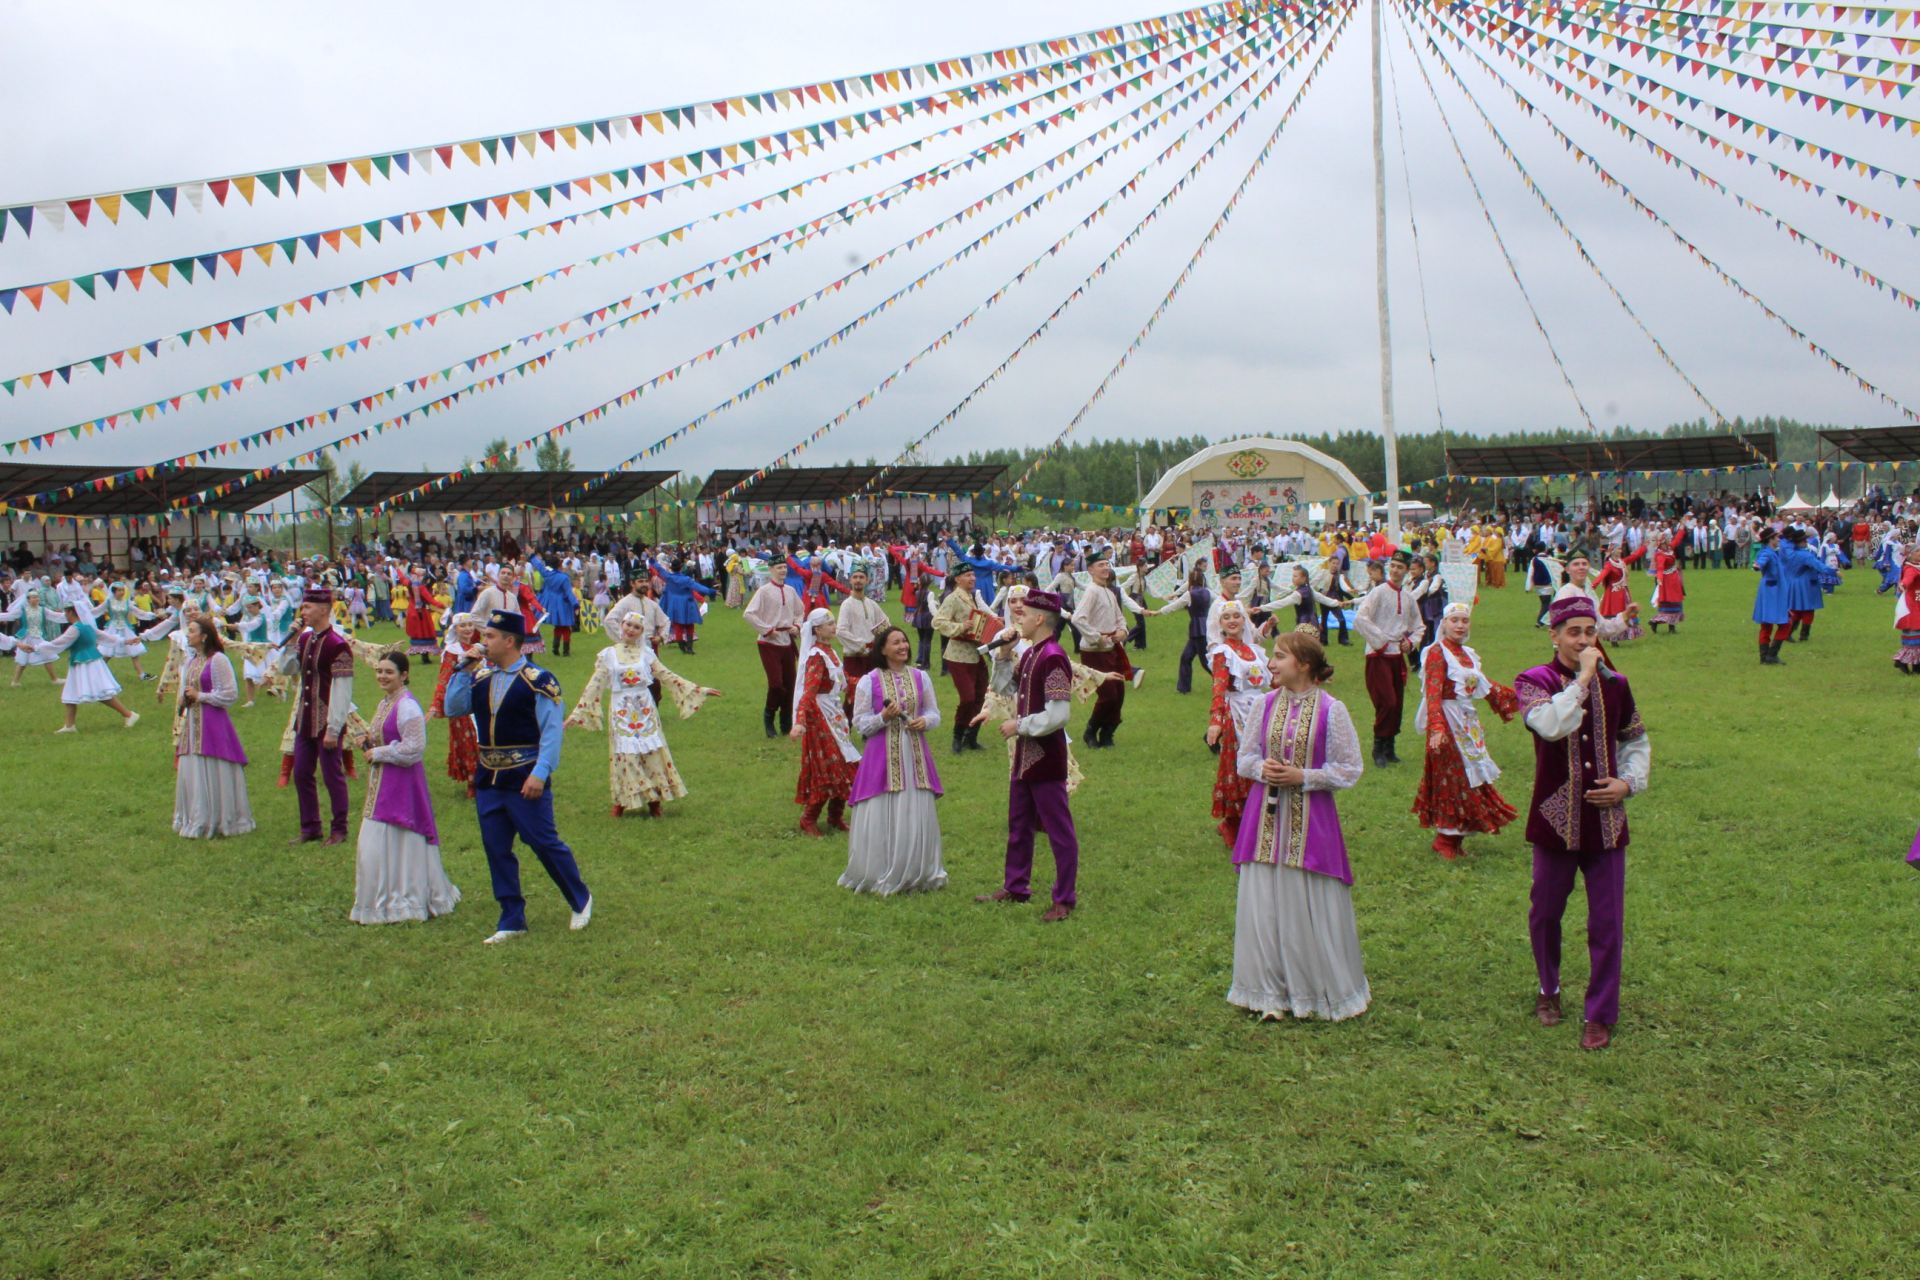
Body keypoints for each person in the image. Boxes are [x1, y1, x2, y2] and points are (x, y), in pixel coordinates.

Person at [1515, 596, 1652, 1052]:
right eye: (1572, 632)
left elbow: (1636, 742)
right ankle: (1548, 989)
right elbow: (1550, 725)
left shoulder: (1618, 684)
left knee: (1608, 921)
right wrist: (1585, 677)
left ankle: (1600, 1013)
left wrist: (1627, 785)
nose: (1582, 640)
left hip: (1605, 822)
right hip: (1554, 821)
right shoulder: (1532, 681)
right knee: (1546, 912)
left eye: (1589, 632)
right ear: (1553, 636)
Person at [1227, 626, 1369, 1022]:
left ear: (1303, 665)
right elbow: (1245, 758)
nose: (1271, 662)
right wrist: (1263, 768)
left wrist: (1302, 777)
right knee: (1265, 904)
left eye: (1279, 655)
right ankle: (1266, 990)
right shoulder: (1263, 705)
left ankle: (1313, 988)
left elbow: (1349, 768)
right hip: (1265, 819)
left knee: (1306, 900)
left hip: (1311, 823)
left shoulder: (1331, 710)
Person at [443, 608, 593, 945]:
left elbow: (552, 732)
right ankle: (511, 917)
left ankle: (580, 898)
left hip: (524, 773)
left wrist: (541, 772)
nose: (484, 641)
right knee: (496, 847)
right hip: (489, 777)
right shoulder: (480, 677)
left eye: (491, 636)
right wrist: (463, 671)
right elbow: (453, 708)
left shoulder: (539, 680)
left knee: (542, 841)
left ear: (510, 641)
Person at [973, 589, 1081, 923]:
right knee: (1019, 825)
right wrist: (1003, 654)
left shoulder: (1053, 657)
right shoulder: (1033, 653)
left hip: (1045, 756)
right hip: (1025, 755)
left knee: (1059, 831)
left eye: (1025, 611)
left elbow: (1059, 714)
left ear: (1040, 619)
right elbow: (1007, 688)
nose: (1018, 614)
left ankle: (1064, 898)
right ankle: (1016, 886)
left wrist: (1020, 725)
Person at [564, 612, 720, 818]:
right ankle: (622, 800)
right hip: (621, 709)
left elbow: (666, 675)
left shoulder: (647, 654)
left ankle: (654, 801)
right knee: (625, 755)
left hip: (644, 708)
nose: (630, 629)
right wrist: (577, 713)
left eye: (636, 627)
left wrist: (699, 690)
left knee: (652, 753)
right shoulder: (608, 654)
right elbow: (595, 684)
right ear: (621, 625)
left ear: (641, 632)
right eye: (628, 624)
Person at [350, 649, 461, 924]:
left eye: (389, 672)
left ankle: (404, 900)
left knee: (395, 839)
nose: (382, 676)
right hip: (385, 782)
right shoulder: (387, 702)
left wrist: (378, 753)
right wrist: (369, 741)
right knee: (376, 843)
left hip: (401, 784)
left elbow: (415, 749)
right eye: (379, 671)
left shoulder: (408, 706)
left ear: (404, 675)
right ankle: (382, 898)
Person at [840, 625, 947, 895]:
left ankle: (917, 870)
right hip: (881, 757)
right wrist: (883, 718)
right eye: (896, 642)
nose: (903, 647)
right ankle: (879, 869)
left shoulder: (921, 677)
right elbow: (860, 724)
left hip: (914, 756)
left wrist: (926, 721)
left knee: (914, 806)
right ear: (883, 649)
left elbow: (934, 712)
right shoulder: (869, 680)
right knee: (880, 808)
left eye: (905, 642)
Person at [1412, 603, 1519, 860]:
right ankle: (1445, 840)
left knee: (1470, 777)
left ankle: (1456, 840)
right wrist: (1436, 726)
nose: (1460, 625)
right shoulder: (1437, 653)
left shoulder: (1467, 654)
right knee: (1454, 778)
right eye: (1455, 620)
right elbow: (1434, 691)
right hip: (1446, 722)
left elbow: (1485, 685)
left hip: (1466, 722)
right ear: (1444, 623)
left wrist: (1517, 697)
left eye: (1464, 621)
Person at [273, 588, 355, 846]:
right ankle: (310, 827)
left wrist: (334, 728)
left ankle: (339, 828)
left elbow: (342, 690)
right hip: (305, 717)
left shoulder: (338, 644)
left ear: (323, 609)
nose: (303, 612)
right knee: (302, 774)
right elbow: (287, 669)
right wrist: (290, 641)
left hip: (327, 719)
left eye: (307, 607)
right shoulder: (305, 639)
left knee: (332, 775)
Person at [172, 614, 252, 839]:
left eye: (192, 631)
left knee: (215, 768)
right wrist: (184, 699)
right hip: (192, 724)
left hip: (213, 723)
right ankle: (198, 818)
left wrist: (201, 696)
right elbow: (185, 691)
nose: (188, 634)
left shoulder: (218, 660)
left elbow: (229, 694)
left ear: (204, 636)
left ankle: (220, 818)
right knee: (193, 768)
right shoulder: (191, 662)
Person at [1206, 600, 1270, 846]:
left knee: (1261, 765)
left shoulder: (1256, 651)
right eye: (1227, 617)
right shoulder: (1223, 652)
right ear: (1220, 624)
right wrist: (1215, 721)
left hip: (1260, 711)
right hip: (1236, 715)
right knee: (1237, 769)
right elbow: (1219, 688)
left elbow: (1271, 681)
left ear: (1244, 620)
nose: (1232, 620)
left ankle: (1256, 819)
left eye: (1237, 616)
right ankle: (1232, 823)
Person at [1070, 550, 1145, 749]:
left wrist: (1122, 631)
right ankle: (1091, 730)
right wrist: (1096, 637)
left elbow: (1119, 617)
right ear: (1091, 570)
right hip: (1095, 652)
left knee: (1119, 693)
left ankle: (1108, 733)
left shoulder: (1109, 591)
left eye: (1106, 564)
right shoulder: (1092, 591)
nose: (1105, 568)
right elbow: (1078, 618)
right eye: (1100, 565)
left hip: (1112, 647)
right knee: (1108, 694)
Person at [1353, 554, 1421, 767]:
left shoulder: (1408, 598)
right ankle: (1378, 747)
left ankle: (1390, 746)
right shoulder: (1379, 592)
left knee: (1397, 703)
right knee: (1387, 702)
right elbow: (1360, 619)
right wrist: (1380, 641)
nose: (1395, 570)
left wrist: (1410, 642)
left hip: (1396, 656)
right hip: (1378, 654)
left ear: (1407, 570)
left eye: (1400, 567)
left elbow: (1418, 626)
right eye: (1392, 566)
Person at [39, 600, 140, 733]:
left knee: (101, 693)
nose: (65, 615)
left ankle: (129, 714)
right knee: (70, 693)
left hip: (86, 663)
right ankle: (69, 726)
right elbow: (106, 637)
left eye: (66, 612)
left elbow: (59, 643)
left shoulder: (75, 629)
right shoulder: (87, 626)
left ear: (71, 612)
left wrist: (36, 647)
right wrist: (125, 641)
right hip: (84, 662)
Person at [743, 558, 805, 739]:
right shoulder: (764, 592)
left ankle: (786, 723)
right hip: (768, 643)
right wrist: (767, 630)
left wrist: (798, 626)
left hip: (786, 641)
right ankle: (769, 716)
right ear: (771, 570)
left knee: (790, 683)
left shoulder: (790, 591)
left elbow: (801, 611)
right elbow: (749, 614)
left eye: (784, 567)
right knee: (776, 684)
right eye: (779, 568)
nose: (782, 570)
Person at [931, 565, 990, 753]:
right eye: (967, 575)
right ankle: (958, 735)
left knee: (981, 696)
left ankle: (971, 737)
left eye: (973, 574)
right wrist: (960, 627)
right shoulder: (953, 598)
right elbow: (938, 622)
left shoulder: (970, 597)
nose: (972, 578)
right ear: (957, 579)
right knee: (968, 698)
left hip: (975, 653)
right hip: (958, 655)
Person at [428, 612, 481, 795]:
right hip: (460, 701)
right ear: (455, 629)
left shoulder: (479, 648)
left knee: (482, 740)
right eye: (462, 625)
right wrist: (436, 704)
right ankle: (472, 781)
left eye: (470, 625)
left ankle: (484, 776)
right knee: (468, 742)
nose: (467, 629)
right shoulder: (452, 651)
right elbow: (444, 679)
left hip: (478, 701)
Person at [1157, 564, 1214, 695]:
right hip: (1203, 627)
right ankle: (1183, 688)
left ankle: (1225, 682)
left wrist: (1158, 612)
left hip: (1198, 628)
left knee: (1205, 661)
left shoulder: (1190, 594)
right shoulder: (1208, 592)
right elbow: (1220, 601)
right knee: (1186, 658)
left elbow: (1175, 606)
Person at [835, 566, 889, 699]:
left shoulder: (871, 604)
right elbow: (841, 631)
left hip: (872, 656)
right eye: (855, 577)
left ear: (867, 580)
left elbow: (885, 624)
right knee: (855, 693)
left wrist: (877, 644)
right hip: (854, 657)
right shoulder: (847, 604)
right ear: (850, 580)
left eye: (861, 577)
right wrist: (862, 646)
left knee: (874, 692)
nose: (858, 580)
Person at [647, 555, 715, 655]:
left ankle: (682, 647)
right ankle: (689, 647)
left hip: (674, 604)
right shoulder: (686, 579)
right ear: (681, 567)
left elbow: (660, 569)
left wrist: (653, 562)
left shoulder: (668, 577)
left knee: (677, 626)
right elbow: (698, 587)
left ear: (671, 568)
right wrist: (710, 591)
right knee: (689, 625)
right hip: (687, 603)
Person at [3, 584, 66, 686]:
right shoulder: (23, 610)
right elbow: (9, 616)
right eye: (33, 597)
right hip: (26, 636)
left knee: (47, 655)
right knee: (22, 660)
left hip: (38, 636)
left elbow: (56, 616)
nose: (36, 599)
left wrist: (73, 615)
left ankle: (54, 679)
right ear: (28, 599)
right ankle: (15, 681)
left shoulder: (42, 610)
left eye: (37, 597)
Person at [1751, 527, 1793, 666]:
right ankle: (1771, 655)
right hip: (1772, 593)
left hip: (1772, 591)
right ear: (1770, 539)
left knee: (1767, 625)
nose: (1779, 539)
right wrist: (1758, 566)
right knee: (1784, 623)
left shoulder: (1773, 553)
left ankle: (1765, 656)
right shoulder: (1767, 553)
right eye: (1776, 537)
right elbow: (1761, 561)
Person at [535, 558, 581, 657]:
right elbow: (569, 592)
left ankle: (555, 648)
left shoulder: (547, 573)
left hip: (550, 603)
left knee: (558, 626)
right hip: (562, 604)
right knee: (566, 627)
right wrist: (575, 604)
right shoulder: (563, 578)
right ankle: (565, 650)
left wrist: (532, 556)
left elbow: (538, 565)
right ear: (559, 565)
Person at [1646, 533, 1685, 635]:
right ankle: (1655, 622)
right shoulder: (1660, 554)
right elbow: (1660, 568)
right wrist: (1659, 578)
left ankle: (1672, 627)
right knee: (1669, 602)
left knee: (1676, 602)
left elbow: (1677, 539)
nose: (1667, 542)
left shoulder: (1669, 549)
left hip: (1674, 579)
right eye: (1665, 541)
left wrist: (1682, 527)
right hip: (1667, 580)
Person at [1892, 543, 1920, 674]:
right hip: (1912, 605)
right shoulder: (1910, 568)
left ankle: (1913, 665)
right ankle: (1904, 662)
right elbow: (1908, 579)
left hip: (1918, 601)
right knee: (1915, 634)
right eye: (1918, 551)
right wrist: (1903, 584)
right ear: (1911, 554)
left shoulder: (1917, 566)